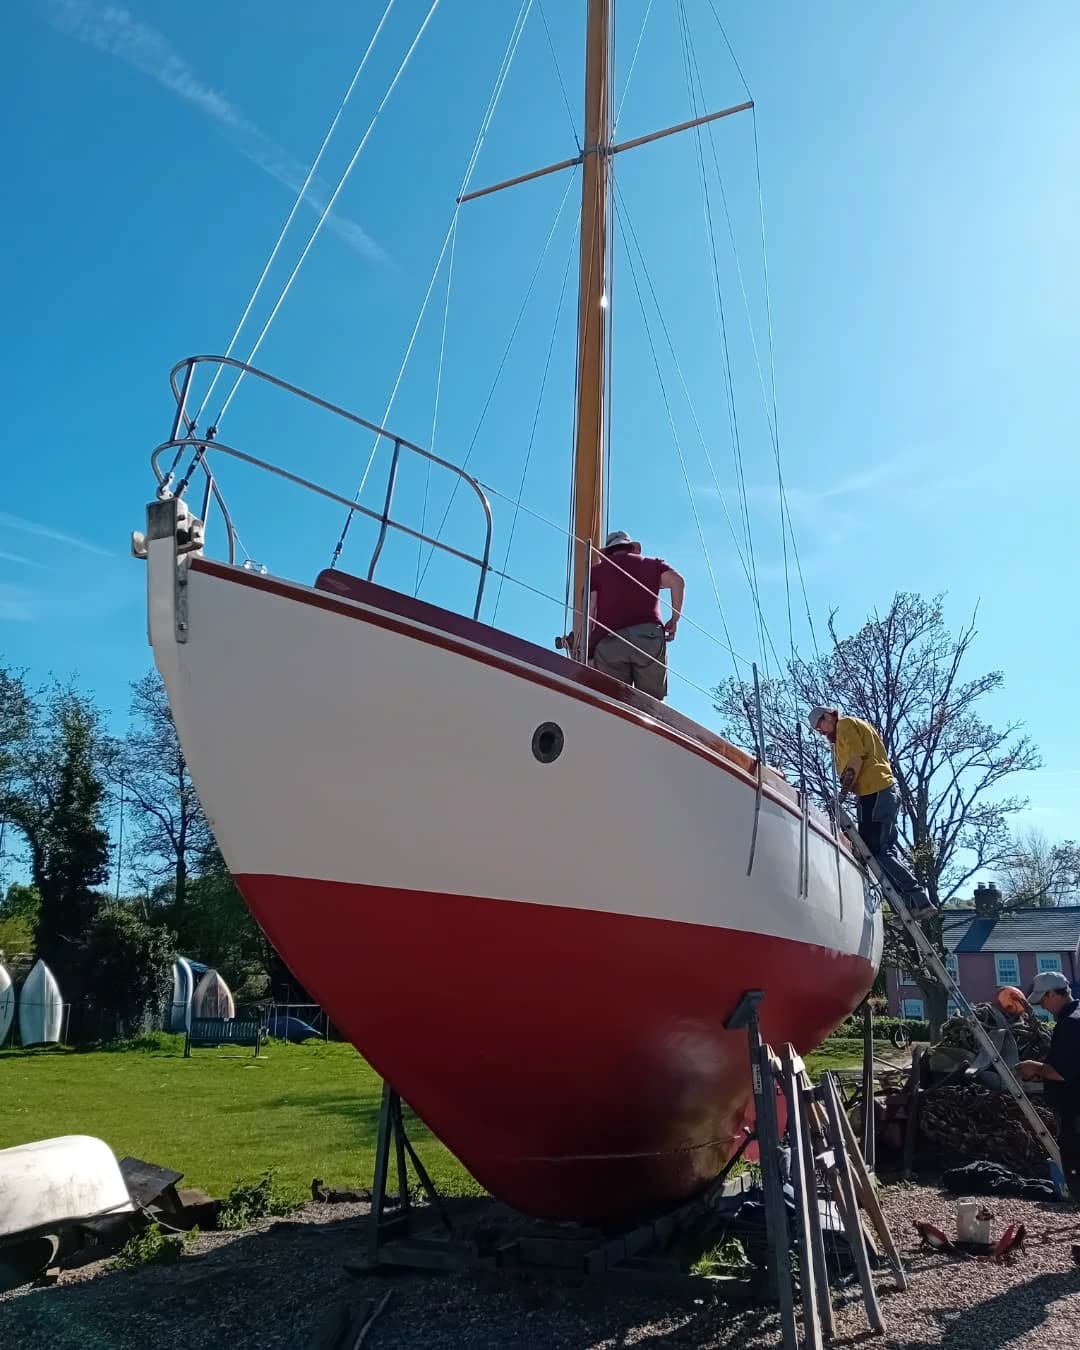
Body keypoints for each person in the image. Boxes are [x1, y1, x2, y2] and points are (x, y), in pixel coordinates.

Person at [808, 706, 935, 920]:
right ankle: (912, 903)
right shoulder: (858, 725)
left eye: (821, 726)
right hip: (880, 792)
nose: (822, 733)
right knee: (880, 850)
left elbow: (856, 759)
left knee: (876, 850)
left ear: (829, 716)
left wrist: (843, 793)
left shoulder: (845, 725)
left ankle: (918, 898)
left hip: (874, 792)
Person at [588, 531, 684, 701]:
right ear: (632, 548)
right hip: (648, 637)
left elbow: (591, 609)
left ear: (607, 553)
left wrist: (587, 648)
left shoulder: (596, 572)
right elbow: (677, 581)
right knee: (650, 703)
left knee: (614, 701)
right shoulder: (651, 564)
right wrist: (675, 618)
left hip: (610, 640)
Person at [1017, 971, 1080, 1194]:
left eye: (1043, 999)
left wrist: (1035, 1067)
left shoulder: (1070, 1024)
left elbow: (1064, 1072)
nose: (1043, 1006)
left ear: (1054, 994)